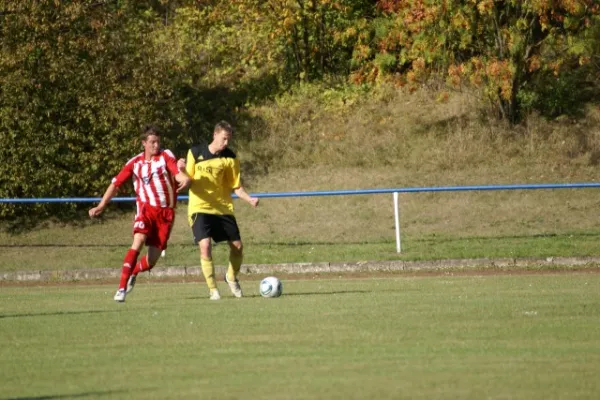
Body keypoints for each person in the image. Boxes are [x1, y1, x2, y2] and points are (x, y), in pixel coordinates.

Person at [89, 125, 191, 303]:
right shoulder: (135, 163)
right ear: (143, 143)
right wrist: (101, 205)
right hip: (145, 210)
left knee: (151, 261)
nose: (156, 145)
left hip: (166, 214)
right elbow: (115, 184)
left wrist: (186, 177)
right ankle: (121, 288)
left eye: (158, 141)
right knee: (138, 241)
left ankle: (134, 272)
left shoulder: (166, 156)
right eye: (152, 142)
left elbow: (177, 175)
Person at [180, 120, 259, 300]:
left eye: (229, 139)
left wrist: (249, 199)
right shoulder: (195, 152)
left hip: (223, 208)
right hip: (199, 207)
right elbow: (188, 180)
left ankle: (230, 277)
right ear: (215, 135)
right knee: (205, 245)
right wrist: (181, 170)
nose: (226, 143)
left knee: (237, 247)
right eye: (224, 139)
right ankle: (213, 289)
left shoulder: (230, 158)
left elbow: (236, 186)